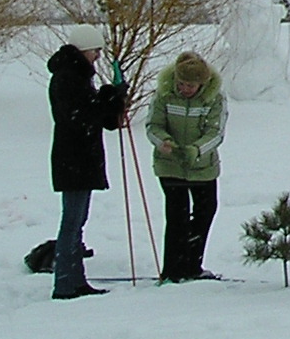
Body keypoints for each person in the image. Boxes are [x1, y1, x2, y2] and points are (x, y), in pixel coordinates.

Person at [47, 26, 130, 300]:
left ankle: (76, 280)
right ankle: (64, 284)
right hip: (74, 158)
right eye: (95, 50)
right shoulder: (67, 77)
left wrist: (112, 99)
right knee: (71, 221)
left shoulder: (78, 76)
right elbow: (81, 115)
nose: (97, 56)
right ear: (83, 49)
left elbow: (97, 116)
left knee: (77, 220)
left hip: (79, 158)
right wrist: (109, 97)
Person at [146, 51, 226, 282]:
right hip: (170, 165)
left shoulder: (215, 99)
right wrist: (164, 142)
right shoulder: (164, 94)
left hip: (203, 166)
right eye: (182, 84)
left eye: (191, 85)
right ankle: (172, 269)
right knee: (177, 216)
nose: (185, 89)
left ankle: (192, 264)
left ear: (203, 83)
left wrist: (196, 150)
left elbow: (216, 133)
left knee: (205, 211)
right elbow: (153, 125)